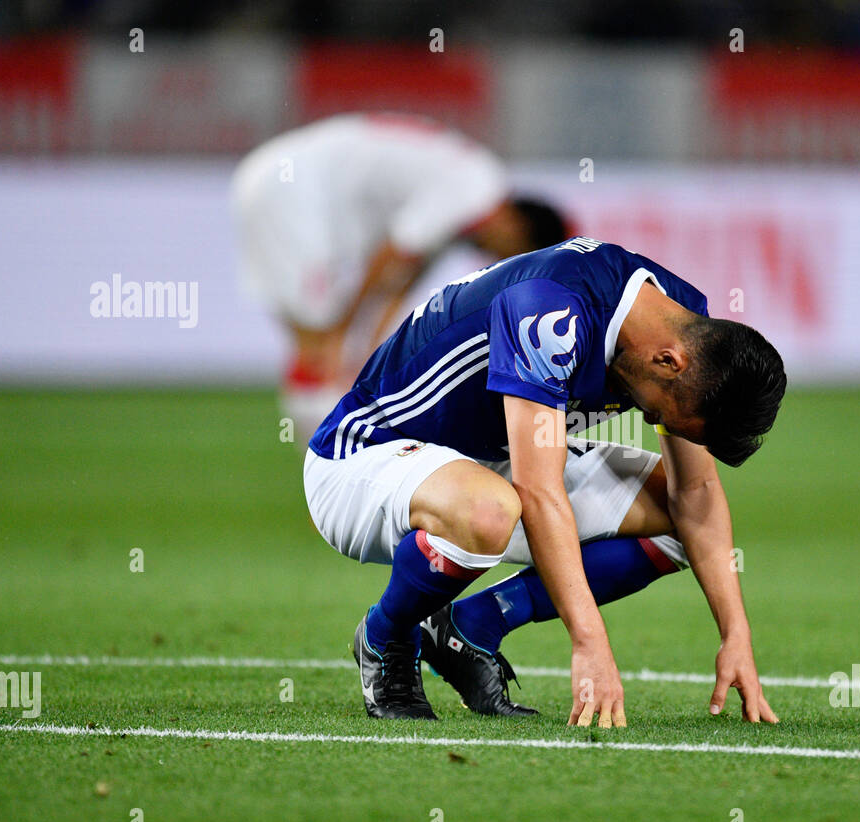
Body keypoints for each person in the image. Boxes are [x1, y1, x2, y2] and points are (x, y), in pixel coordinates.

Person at [303, 236, 786, 726]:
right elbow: (538, 490)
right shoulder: (550, 315)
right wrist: (589, 642)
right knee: (490, 510)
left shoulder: (684, 323)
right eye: (660, 412)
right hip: (363, 457)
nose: (651, 416)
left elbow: (696, 494)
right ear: (669, 361)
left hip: (487, 458)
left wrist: (736, 634)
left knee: (677, 519)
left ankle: (469, 628)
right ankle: (387, 635)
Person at [230, 112, 570, 441]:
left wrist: (368, 346)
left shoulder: (468, 199)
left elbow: (401, 279)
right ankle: (325, 465)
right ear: (518, 228)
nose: (499, 262)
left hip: (289, 183)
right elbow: (390, 256)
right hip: (289, 186)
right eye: (513, 255)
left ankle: (327, 458)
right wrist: (345, 327)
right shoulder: (472, 190)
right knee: (320, 340)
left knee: (320, 346)